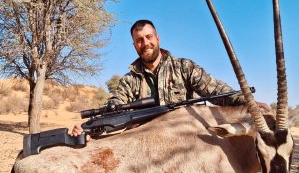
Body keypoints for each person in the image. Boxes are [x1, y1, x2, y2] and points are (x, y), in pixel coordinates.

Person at [71, 19, 269, 137]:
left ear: (157, 38)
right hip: (145, 142)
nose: (145, 43)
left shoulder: (184, 67)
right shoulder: (129, 80)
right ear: (134, 45)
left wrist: (247, 103)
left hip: (185, 140)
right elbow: (116, 105)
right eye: (139, 40)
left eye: (149, 37)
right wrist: (88, 128)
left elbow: (217, 91)